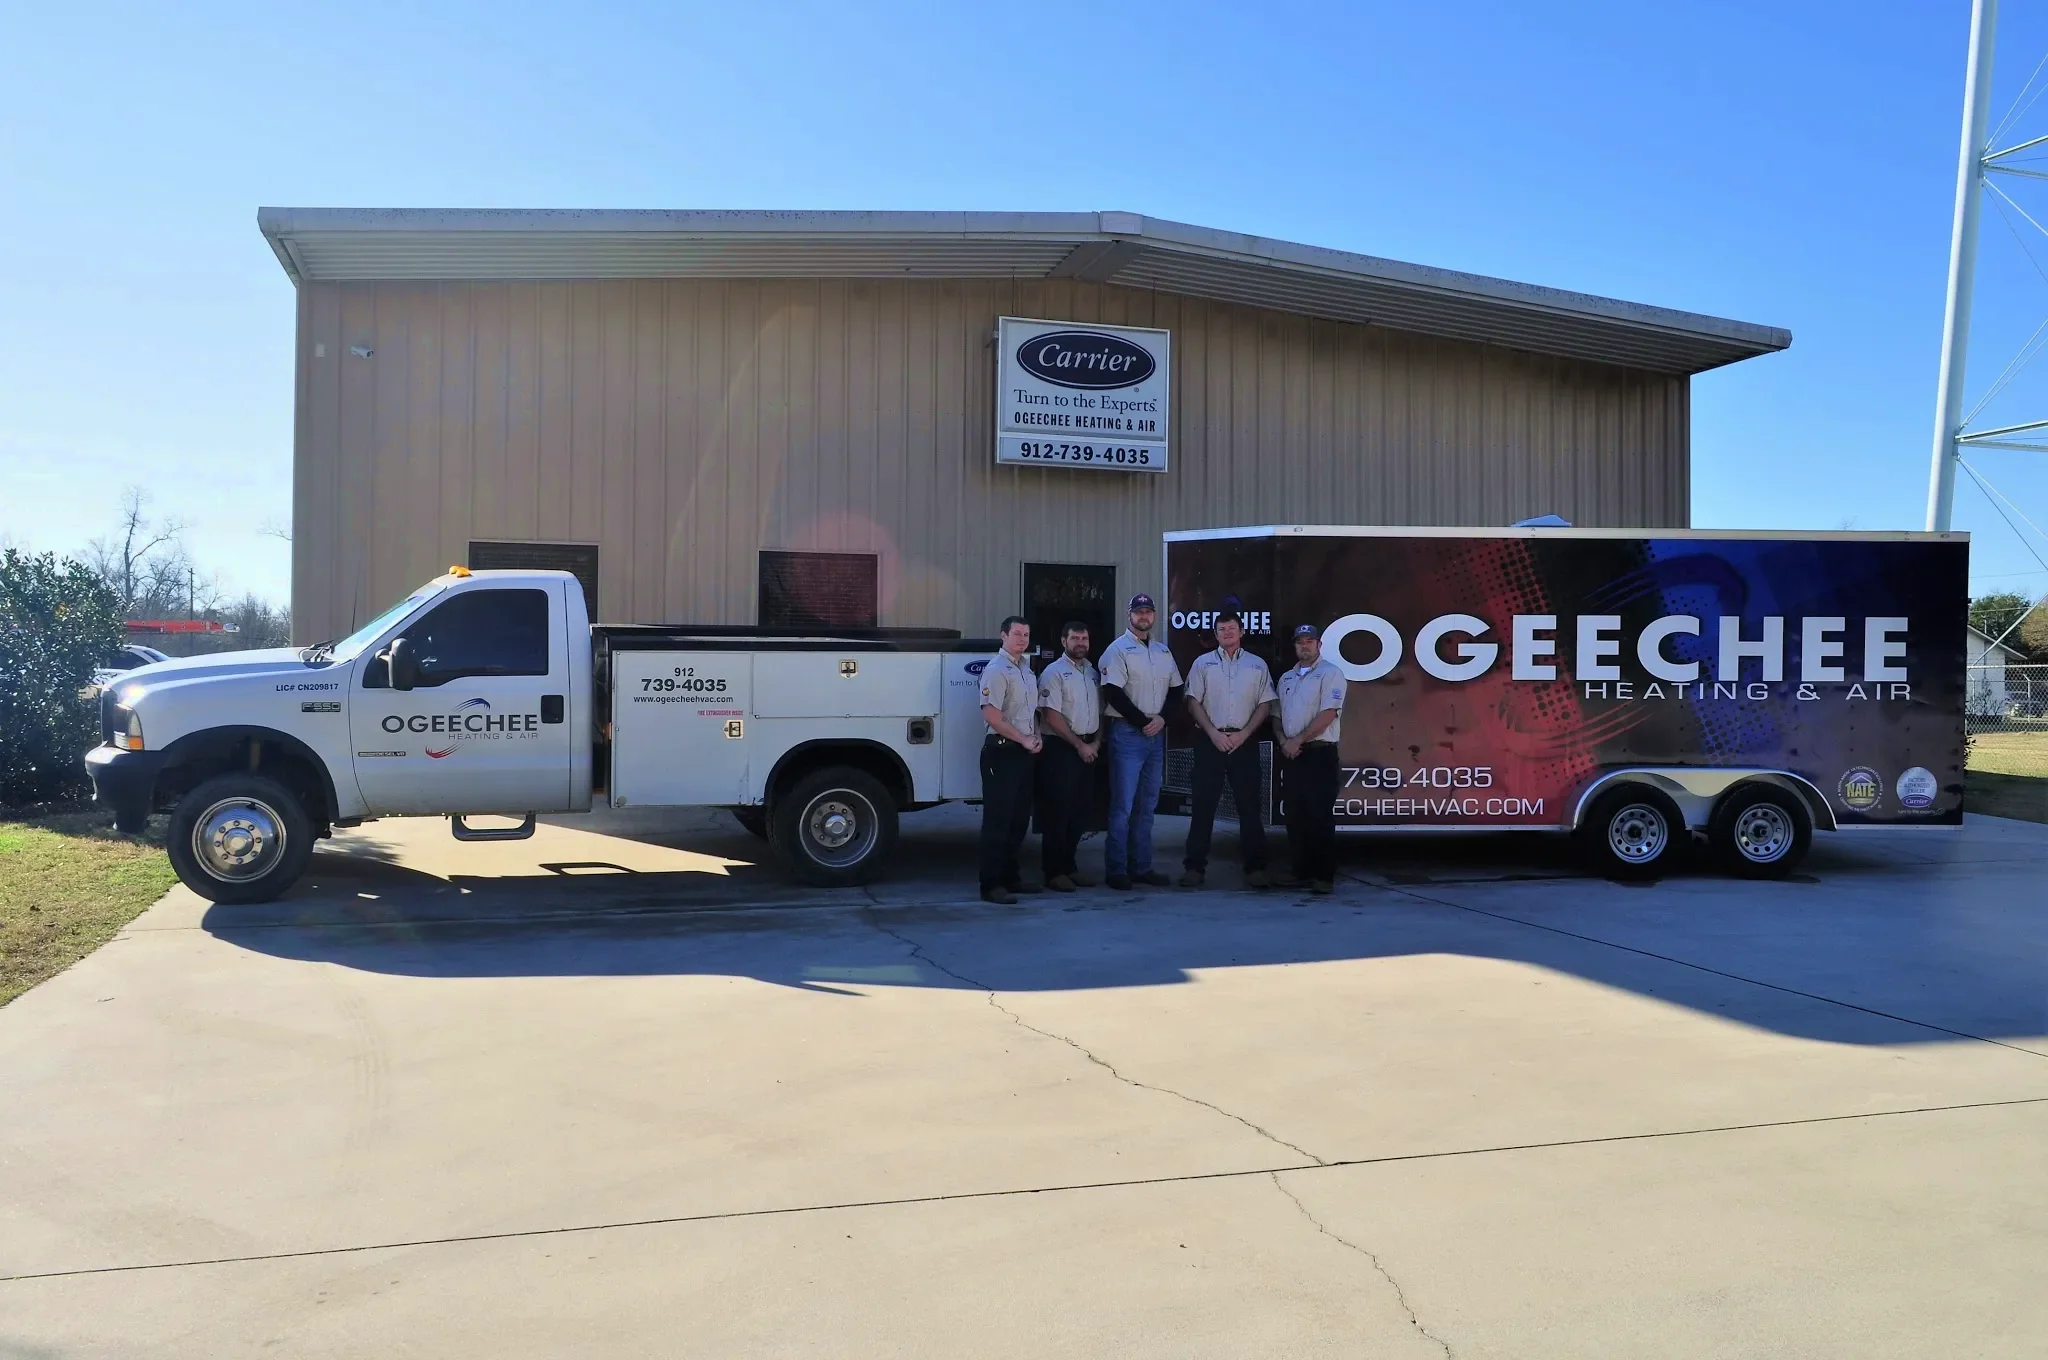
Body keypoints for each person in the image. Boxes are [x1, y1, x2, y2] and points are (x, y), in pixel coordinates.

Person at [1180, 610, 1276, 888]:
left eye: (1231, 628)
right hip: (1210, 742)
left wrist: (1244, 734)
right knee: (1203, 807)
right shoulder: (1202, 664)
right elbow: (1192, 702)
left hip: (1244, 744)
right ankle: (1194, 868)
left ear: (1241, 631)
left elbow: (1265, 704)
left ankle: (1255, 869)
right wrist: (1213, 733)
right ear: (1216, 634)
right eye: (1221, 629)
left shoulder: (1257, 665)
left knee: (1249, 808)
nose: (1227, 633)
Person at [1099, 593, 1183, 891]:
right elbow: (1113, 693)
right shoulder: (1117, 650)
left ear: (1154, 615)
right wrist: (1143, 722)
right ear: (1129, 615)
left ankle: (1141, 867)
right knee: (1123, 805)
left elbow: (1177, 690)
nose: (1143, 616)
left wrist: (1162, 719)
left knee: (1147, 805)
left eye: (1148, 611)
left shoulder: (1163, 652)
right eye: (1139, 612)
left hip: (1155, 734)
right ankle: (1117, 870)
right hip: (1127, 734)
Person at [1273, 623, 1348, 894]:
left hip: (1319, 753)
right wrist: (1284, 741)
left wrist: (1298, 740)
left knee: (1320, 816)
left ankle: (1323, 876)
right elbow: (1276, 715)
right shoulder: (1286, 679)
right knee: (1295, 815)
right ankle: (1300, 872)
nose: (1304, 646)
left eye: (1309, 641)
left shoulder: (1331, 673)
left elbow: (1329, 713)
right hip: (1293, 756)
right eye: (1300, 642)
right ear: (1294, 645)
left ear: (1319, 645)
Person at [977, 616, 1043, 905]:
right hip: (1001, 753)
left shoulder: (1026, 671)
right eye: (1017, 633)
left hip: (1023, 754)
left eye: (1026, 634)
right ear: (1003, 635)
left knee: (1018, 821)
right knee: (998, 822)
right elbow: (992, 715)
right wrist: (1023, 739)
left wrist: (1035, 735)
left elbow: (1032, 712)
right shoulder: (996, 670)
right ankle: (991, 885)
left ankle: (1011, 877)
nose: (1022, 639)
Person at [1035, 621, 1101, 892]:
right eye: (1075, 638)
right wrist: (1078, 745)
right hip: (1061, 749)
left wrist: (1096, 742)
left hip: (1088, 748)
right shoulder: (1053, 673)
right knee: (1058, 812)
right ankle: (1053, 872)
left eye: (1084, 639)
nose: (1080, 643)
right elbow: (1051, 715)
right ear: (1064, 642)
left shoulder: (1093, 673)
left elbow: (1100, 711)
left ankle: (1070, 867)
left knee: (1079, 812)